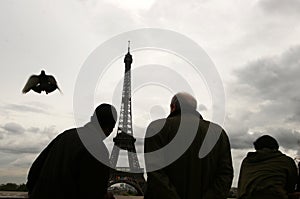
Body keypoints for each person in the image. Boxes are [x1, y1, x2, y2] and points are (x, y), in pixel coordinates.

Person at [144, 92, 233, 199]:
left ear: (173, 107)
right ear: (194, 108)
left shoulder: (157, 128)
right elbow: (225, 174)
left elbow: (155, 173)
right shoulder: (219, 133)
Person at [26, 104, 117, 199]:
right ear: (110, 128)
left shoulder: (64, 136)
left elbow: (34, 172)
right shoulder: (98, 149)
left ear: (92, 118)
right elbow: (94, 193)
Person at [237, 135, 298, 199]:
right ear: (276, 147)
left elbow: (241, 186)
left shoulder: (247, 161)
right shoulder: (286, 161)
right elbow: (291, 187)